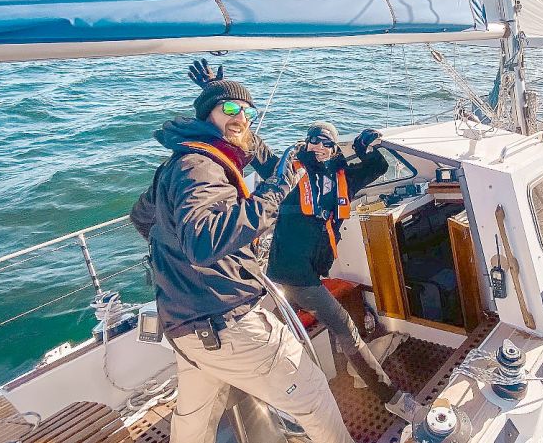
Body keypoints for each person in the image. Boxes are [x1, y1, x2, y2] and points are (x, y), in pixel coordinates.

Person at [130, 60, 355, 443]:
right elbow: (204, 242)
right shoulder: (200, 167)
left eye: (248, 112)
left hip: (186, 326)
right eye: (231, 110)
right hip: (228, 323)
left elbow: (142, 218)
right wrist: (276, 189)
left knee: (195, 423)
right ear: (207, 115)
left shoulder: (180, 162)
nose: (242, 119)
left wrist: (222, 91)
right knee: (313, 397)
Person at [266, 121, 420, 422]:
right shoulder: (290, 174)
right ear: (305, 143)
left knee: (287, 326)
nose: (320, 148)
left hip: (308, 272)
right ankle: (391, 397)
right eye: (314, 141)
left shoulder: (342, 178)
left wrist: (362, 149)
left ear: (335, 148)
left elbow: (378, 166)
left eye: (327, 143)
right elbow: (255, 150)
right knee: (345, 327)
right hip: (292, 273)